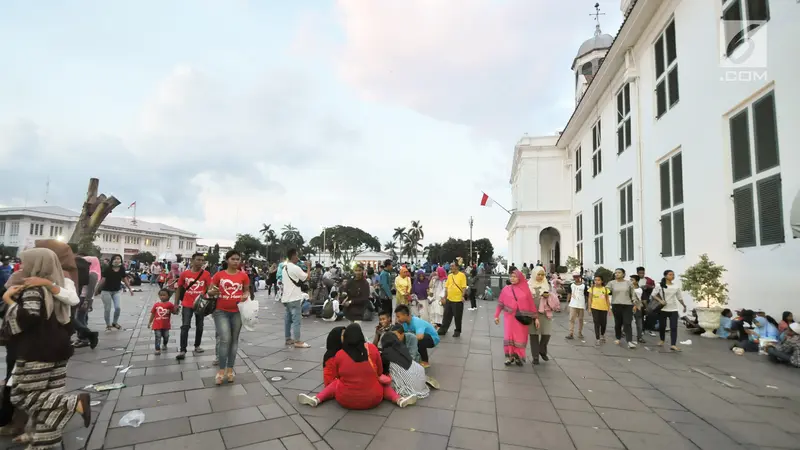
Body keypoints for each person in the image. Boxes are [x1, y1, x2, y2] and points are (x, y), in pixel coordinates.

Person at [2, 248, 92, 448]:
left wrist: (9, 301)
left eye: (26, 262)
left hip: (38, 348)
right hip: (59, 345)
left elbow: (29, 318)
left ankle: (74, 403)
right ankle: (43, 442)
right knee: (51, 394)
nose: (23, 266)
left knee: (23, 394)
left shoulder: (33, 288)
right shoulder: (59, 284)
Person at [297, 324, 417, 409]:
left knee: (336, 383)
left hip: (345, 399)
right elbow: (379, 371)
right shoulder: (372, 349)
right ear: (361, 336)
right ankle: (399, 400)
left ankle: (317, 399)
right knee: (381, 382)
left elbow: (337, 375)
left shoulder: (339, 355)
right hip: (372, 399)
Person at [209, 250, 250, 385]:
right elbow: (210, 290)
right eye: (233, 259)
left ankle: (230, 369)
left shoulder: (243, 276)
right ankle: (221, 370)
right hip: (221, 311)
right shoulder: (219, 275)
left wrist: (245, 295)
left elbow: (246, 290)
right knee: (225, 339)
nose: (236, 262)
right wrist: (212, 291)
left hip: (237, 311)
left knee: (234, 340)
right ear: (227, 260)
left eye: (238, 259)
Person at [494, 269, 539, 366]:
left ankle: (518, 356)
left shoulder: (525, 290)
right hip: (509, 317)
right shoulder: (506, 289)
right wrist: (496, 315)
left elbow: (531, 304)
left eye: (515, 277)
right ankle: (510, 357)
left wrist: (536, 318)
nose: (512, 278)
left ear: (519, 278)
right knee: (508, 336)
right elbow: (500, 303)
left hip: (521, 318)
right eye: (511, 276)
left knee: (520, 338)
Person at [175, 253, 211, 360]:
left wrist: (209, 300)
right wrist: (176, 304)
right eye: (198, 260)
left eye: (202, 260)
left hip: (200, 305)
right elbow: (179, 289)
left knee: (199, 326)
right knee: (185, 326)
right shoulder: (184, 274)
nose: (200, 262)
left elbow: (210, 288)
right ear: (192, 260)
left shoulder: (206, 274)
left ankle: (197, 345)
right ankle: (182, 350)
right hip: (187, 304)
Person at [380, 332, 430, 399]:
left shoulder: (386, 355)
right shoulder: (403, 348)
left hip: (409, 389)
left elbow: (383, 372)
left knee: (384, 380)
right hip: (419, 378)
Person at [528, 266, 558, 364]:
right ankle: (535, 356)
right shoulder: (528, 285)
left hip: (545, 313)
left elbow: (553, 296)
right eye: (538, 274)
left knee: (546, 334)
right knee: (534, 335)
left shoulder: (546, 285)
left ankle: (542, 350)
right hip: (532, 313)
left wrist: (548, 296)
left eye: (542, 275)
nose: (540, 277)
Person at [282, 249, 311, 348]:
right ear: (293, 256)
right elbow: (307, 277)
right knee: (296, 320)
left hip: (286, 298)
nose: (298, 258)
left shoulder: (284, 268)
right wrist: (308, 267)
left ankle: (288, 338)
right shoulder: (295, 268)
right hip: (294, 297)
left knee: (288, 319)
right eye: (297, 256)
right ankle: (298, 341)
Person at [651, 270, 687, 352]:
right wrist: (660, 301)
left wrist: (683, 305)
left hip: (673, 309)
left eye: (673, 275)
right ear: (665, 276)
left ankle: (673, 345)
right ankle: (662, 339)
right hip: (663, 309)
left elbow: (679, 297)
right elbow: (653, 295)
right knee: (662, 326)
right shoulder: (659, 285)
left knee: (674, 327)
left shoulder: (676, 286)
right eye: (670, 274)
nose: (672, 276)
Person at [97, 254, 133, 331]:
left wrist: (129, 288)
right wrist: (96, 289)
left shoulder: (122, 269)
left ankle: (114, 322)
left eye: (119, 259)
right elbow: (103, 280)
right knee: (107, 309)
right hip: (106, 291)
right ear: (112, 260)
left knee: (118, 308)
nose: (117, 260)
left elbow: (125, 279)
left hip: (116, 291)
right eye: (115, 259)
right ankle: (108, 325)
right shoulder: (108, 269)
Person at [608, 268, 639, 349]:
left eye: (619, 272)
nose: (617, 274)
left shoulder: (628, 283)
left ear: (623, 274)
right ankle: (618, 338)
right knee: (618, 323)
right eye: (616, 273)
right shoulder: (612, 283)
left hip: (627, 305)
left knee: (627, 323)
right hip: (616, 304)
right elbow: (605, 291)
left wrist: (635, 304)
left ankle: (629, 341)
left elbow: (633, 294)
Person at [438, 263, 467, 338]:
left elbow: (464, 287)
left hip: (458, 300)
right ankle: (443, 329)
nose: (451, 267)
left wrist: (462, 296)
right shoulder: (450, 276)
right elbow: (447, 287)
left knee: (457, 317)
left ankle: (457, 331)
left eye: (452, 266)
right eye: (450, 266)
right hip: (449, 299)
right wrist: (444, 297)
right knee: (446, 315)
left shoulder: (462, 275)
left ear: (457, 267)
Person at [149, 289, 177, 355]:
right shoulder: (156, 305)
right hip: (157, 325)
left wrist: (171, 310)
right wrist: (150, 322)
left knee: (166, 336)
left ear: (168, 296)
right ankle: (157, 349)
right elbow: (153, 313)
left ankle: (164, 344)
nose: (162, 297)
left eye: (164, 295)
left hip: (166, 325)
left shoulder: (169, 304)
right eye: (161, 295)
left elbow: (174, 312)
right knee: (157, 337)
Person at [589, 275, 611, 345]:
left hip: (604, 308)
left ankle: (602, 334)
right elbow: (589, 299)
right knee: (596, 322)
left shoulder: (605, 289)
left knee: (603, 323)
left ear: (602, 281)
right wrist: (589, 308)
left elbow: (607, 299)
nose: (597, 281)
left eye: (598, 280)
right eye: (595, 280)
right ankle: (597, 338)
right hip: (594, 308)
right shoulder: (591, 289)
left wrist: (609, 309)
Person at [566, 271, 587, 340]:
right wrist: (567, 303)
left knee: (581, 319)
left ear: (580, 277)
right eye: (574, 277)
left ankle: (580, 332)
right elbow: (569, 294)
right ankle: (571, 333)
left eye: (577, 276)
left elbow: (586, 295)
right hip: (573, 304)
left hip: (581, 304)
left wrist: (587, 304)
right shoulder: (571, 285)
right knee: (571, 319)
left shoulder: (584, 286)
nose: (576, 278)